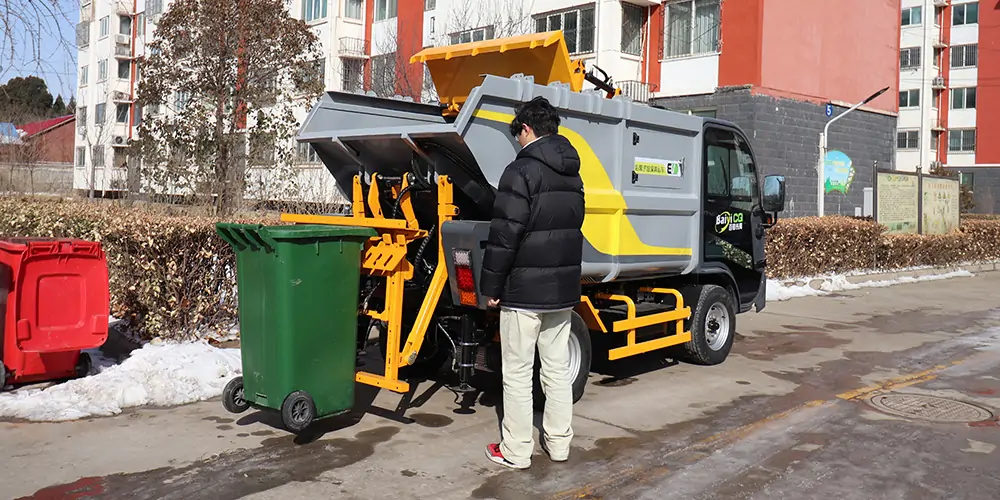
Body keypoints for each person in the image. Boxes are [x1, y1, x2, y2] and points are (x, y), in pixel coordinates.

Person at [479, 96, 585, 470]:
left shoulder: (520, 171)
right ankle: (559, 445)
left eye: (517, 134)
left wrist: (490, 288)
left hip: (524, 293)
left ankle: (516, 450)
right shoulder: (573, 172)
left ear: (526, 129)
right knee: (556, 370)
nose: (517, 142)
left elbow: (505, 235)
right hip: (561, 291)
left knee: (519, 373)